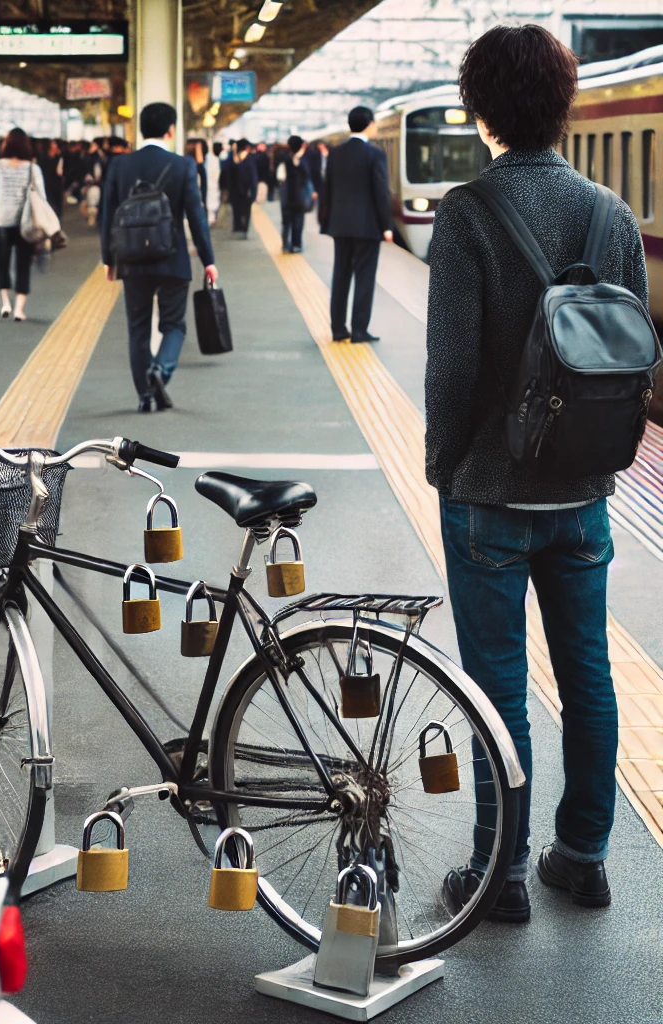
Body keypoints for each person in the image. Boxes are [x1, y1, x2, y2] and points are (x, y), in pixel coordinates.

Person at [427, 23, 647, 923]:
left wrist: (447, 465)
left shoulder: (468, 212)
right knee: (590, 675)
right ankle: (584, 856)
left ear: (480, 108)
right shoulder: (614, 215)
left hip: (490, 492)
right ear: (565, 106)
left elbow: (450, 368)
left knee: (496, 688)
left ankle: (500, 872)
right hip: (584, 494)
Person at [101, 102, 218, 413]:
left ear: (139, 129)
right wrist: (208, 259)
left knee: (137, 328)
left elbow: (108, 216)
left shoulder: (120, 166)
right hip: (172, 257)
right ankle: (161, 370)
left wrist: (108, 259)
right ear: (171, 130)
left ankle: (144, 396)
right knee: (174, 325)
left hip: (131, 258)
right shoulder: (183, 166)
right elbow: (196, 217)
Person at [323, 106, 393, 343]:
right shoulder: (375, 155)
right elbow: (380, 192)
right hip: (367, 227)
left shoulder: (335, 153)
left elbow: (327, 190)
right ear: (369, 124)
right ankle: (359, 330)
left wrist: (326, 222)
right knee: (364, 278)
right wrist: (387, 226)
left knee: (340, 276)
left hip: (340, 227)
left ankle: (338, 329)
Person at [0, 127, 45, 321]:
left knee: (3, 263)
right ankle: (19, 309)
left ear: (6, 144)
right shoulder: (33, 168)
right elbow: (42, 197)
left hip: (0, 221)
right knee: (23, 264)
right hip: (25, 224)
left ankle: (5, 304)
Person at [276, 135, 315, 254]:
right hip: (299, 198)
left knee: (287, 222)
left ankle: (286, 244)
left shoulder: (285, 160)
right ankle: (296, 244)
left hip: (288, 198)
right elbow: (308, 178)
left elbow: (280, 178)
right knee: (297, 222)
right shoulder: (305, 160)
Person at [229, 139, 257, 238]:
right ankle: (239, 227)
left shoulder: (249, 159)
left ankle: (244, 229)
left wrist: (253, 192)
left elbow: (253, 177)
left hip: (245, 191)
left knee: (245, 211)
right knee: (238, 210)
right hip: (237, 191)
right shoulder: (233, 158)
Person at [39, 138, 64, 218]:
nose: (54, 146)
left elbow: (60, 172)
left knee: (56, 204)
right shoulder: (43, 157)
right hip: (46, 182)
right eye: (53, 144)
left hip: (56, 184)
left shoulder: (59, 157)